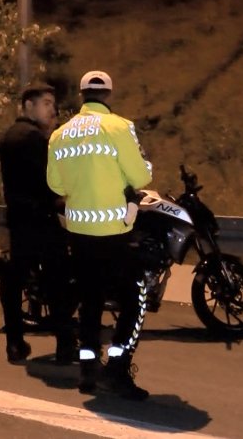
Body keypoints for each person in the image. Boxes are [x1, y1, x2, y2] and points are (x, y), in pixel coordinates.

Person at [46, 70, 154, 400]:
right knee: (135, 299)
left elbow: (56, 185)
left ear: (81, 95)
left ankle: (88, 371)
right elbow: (140, 175)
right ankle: (117, 371)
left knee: (90, 300)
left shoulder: (59, 135)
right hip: (114, 233)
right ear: (108, 95)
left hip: (79, 233)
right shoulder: (120, 127)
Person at [0, 82, 77, 365]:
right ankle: (66, 343)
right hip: (42, 220)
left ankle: (15, 341)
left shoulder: (8, 137)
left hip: (19, 221)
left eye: (52, 104)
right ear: (28, 105)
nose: (52, 109)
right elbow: (51, 183)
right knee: (58, 280)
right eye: (45, 103)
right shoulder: (35, 139)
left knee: (15, 279)